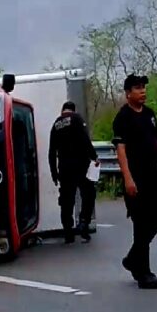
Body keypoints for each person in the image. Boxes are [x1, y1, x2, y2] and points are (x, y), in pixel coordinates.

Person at [112, 73, 157, 289]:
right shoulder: (123, 117)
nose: (142, 91)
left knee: (152, 225)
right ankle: (144, 273)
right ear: (128, 93)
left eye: (143, 87)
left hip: (151, 175)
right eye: (137, 88)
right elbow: (121, 150)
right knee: (141, 225)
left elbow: (156, 143)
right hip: (135, 178)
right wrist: (128, 178)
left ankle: (132, 260)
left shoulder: (150, 115)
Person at [48, 101, 99, 244]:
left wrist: (54, 172)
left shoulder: (56, 125)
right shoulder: (77, 119)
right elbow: (85, 140)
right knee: (88, 194)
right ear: (73, 110)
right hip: (81, 166)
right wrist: (94, 157)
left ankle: (68, 232)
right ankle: (84, 222)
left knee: (66, 201)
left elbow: (52, 152)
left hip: (65, 169)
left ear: (62, 110)